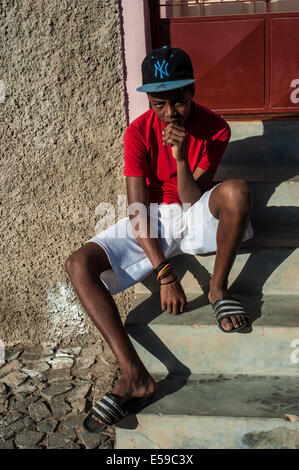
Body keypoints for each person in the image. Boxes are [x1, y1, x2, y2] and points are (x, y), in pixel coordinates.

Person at [65, 46, 254, 432]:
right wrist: (164, 273)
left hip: (193, 209)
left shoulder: (217, 127)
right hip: (150, 217)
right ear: (148, 100)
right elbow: (137, 209)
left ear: (193, 92)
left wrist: (180, 156)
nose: (169, 113)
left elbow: (191, 197)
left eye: (179, 102)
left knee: (236, 191)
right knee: (78, 264)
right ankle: (134, 374)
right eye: (158, 104)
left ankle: (218, 289)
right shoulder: (136, 133)